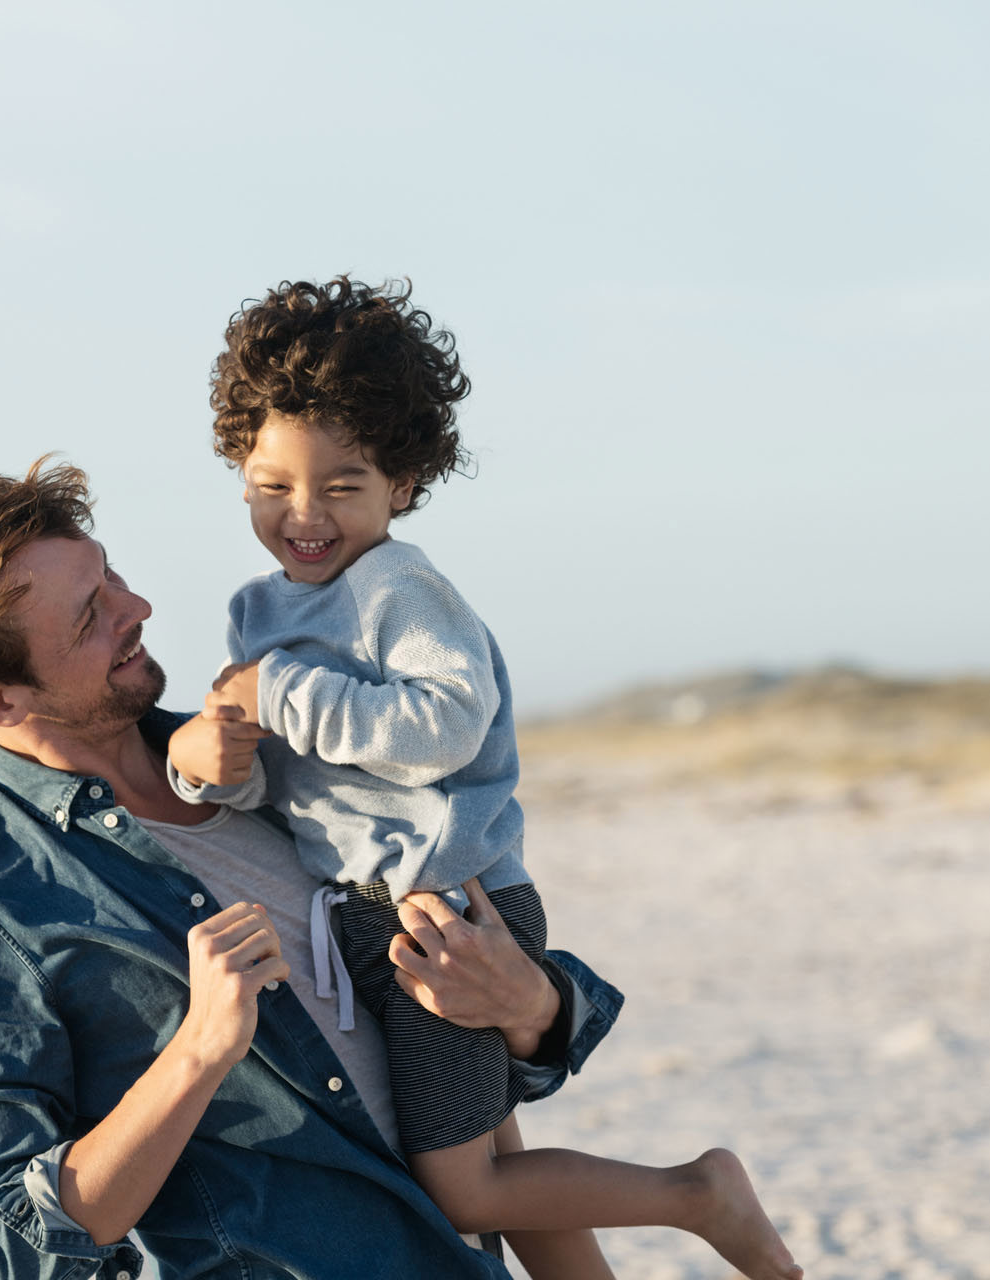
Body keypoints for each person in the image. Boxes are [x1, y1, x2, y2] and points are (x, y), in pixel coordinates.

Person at [164, 277, 802, 1280]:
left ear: (404, 482)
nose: (305, 514)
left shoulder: (400, 588)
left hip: (446, 909)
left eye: (344, 484)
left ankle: (698, 1192)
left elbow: (444, 728)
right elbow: (287, 782)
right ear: (236, 467)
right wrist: (211, 760)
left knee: (466, 1188)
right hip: (368, 910)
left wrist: (279, 689)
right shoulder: (257, 610)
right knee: (501, 1155)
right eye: (271, 482)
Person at [0, 460, 625, 1279]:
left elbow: (487, 1089)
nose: (136, 608)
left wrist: (532, 1007)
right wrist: (199, 1051)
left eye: (109, 574)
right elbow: (12, 1247)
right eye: (88, 619)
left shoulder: (289, 758)